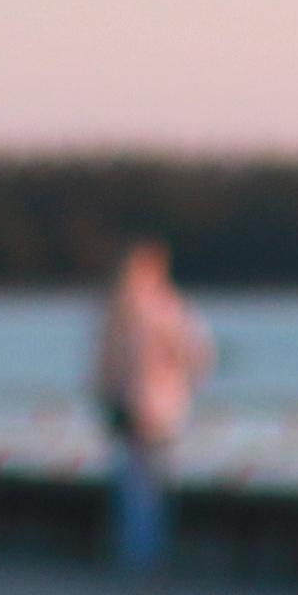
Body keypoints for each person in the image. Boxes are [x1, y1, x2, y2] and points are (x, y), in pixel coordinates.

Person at [89, 241, 210, 576]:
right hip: (157, 409)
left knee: (137, 490)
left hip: (137, 409)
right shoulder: (167, 309)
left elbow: (104, 368)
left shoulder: (121, 310)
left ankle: (139, 559)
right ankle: (147, 559)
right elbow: (199, 355)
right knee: (149, 488)